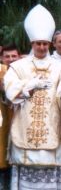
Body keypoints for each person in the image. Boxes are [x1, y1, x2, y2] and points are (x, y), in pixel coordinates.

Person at [4, 4, 61, 189]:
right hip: (24, 128)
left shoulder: (59, 67)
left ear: (50, 44)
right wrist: (28, 86)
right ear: (32, 44)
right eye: (38, 43)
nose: (41, 47)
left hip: (51, 128)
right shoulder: (18, 66)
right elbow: (9, 89)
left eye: (45, 44)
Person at [0, 44, 21, 189]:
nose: (11, 59)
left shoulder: (23, 72)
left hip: (19, 120)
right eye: (7, 56)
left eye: (14, 56)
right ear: (2, 58)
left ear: (19, 57)